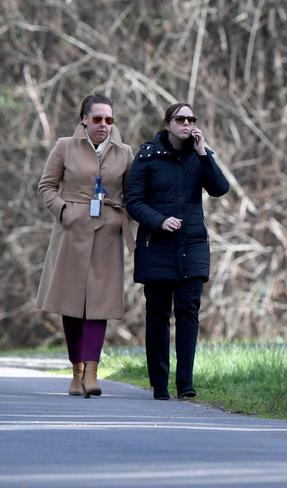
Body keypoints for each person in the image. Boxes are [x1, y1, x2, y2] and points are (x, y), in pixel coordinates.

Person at [126, 103, 229, 400]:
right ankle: (159, 384)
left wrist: (202, 152)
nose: (187, 124)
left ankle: (186, 383)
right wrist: (159, 220)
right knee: (158, 314)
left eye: (191, 119)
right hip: (156, 246)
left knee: (188, 311)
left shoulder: (200, 156)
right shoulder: (147, 156)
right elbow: (133, 201)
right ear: (167, 123)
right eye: (180, 119)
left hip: (192, 245)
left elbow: (220, 189)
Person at [36, 93, 134, 398]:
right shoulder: (65, 146)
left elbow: (133, 194)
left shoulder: (125, 152)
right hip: (70, 234)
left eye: (109, 119)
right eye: (97, 119)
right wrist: (65, 211)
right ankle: (76, 371)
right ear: (84, 120)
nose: (103, 125)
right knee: (71, 304)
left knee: (98, 306)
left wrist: (123, 219)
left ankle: (93, 372)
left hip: (107, 236)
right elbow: (46, 187)